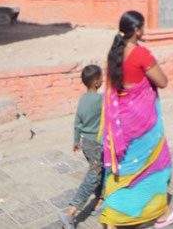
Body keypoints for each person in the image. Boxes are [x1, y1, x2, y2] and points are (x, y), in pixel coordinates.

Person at [100, 11, 173, 229]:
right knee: (157, 163)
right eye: (143, 28)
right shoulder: (140, 54)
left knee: (123, 169)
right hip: (143, 124)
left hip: (122, 124)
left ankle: (115, 216)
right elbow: (162, 81)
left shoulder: (113, 53)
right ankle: (160, 212)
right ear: (137, 30)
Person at [58, 64, 104, 229]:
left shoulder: (83, 99)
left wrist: (76, 142)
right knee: (93, 176)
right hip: (97, 144)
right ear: (97, 82)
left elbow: (77, 122)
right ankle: (71, 213)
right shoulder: (101, 100)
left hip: (85, 143)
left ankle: (100, 201)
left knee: (100, 171)